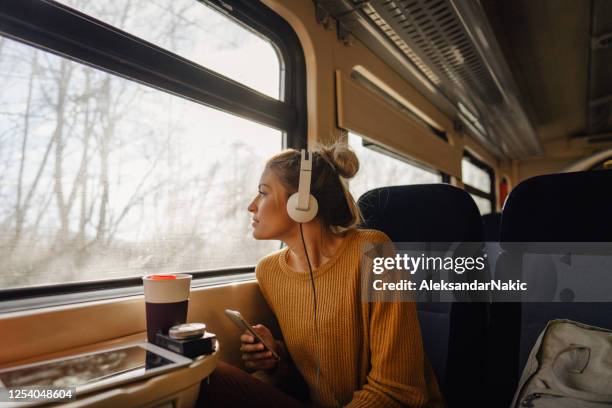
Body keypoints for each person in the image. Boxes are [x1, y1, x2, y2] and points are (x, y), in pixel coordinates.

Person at [198, 144, 444, 407]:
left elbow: (398, 390)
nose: (251, 206)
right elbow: (312, 377)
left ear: (300, 202)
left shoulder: (373, 252)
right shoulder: (269, 272)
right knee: (210, 377)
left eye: (263, 194)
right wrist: (276, 359)